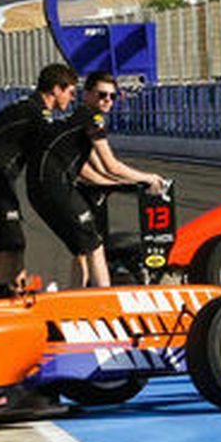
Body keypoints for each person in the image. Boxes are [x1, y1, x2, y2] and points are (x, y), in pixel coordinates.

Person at [26, 72, 166, 289]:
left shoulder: (77, 120)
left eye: (112, 96)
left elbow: (97, 170)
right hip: (55, 187)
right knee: (95, 245)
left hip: (38, 189)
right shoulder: (92, 119)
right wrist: (148, 178)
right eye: (102, 95)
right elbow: (111, 165)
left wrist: (122, 184)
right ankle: (104, 298)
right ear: (87, 95)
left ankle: (76, 298)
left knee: (81, 249)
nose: (107, 100)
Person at [0, 63, 77, 289]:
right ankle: (1, 292)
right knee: (11, 243)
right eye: (70, 92)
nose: (72, 98)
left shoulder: (30, 106)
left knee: (14, 243)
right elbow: (55, 144)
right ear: (56, 89)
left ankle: (12, 288)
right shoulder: (35, 111)